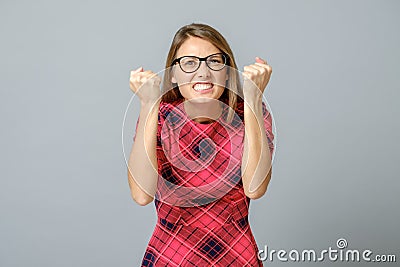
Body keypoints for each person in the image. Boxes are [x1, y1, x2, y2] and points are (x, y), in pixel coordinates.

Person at [128, 23, 274, 266]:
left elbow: (255, 188)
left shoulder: (248, 113)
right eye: (189, 62)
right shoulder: (160, 117)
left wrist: (254, 99)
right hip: (171, 257)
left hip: (237, 257)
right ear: (173, 74)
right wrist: (147, 105)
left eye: (214, 61)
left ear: (227, 72)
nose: (203, 72)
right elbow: (142, 194)